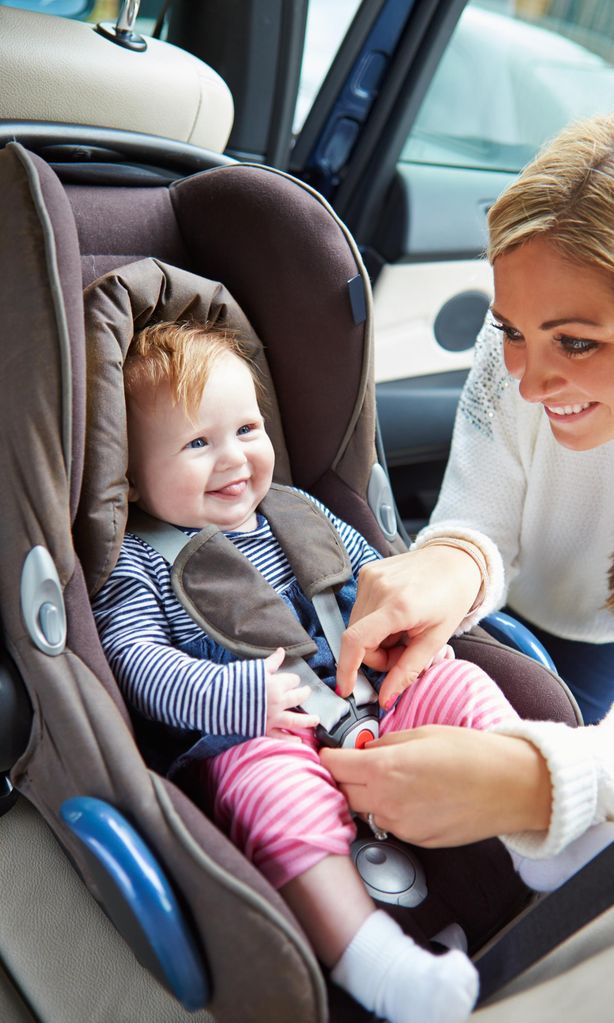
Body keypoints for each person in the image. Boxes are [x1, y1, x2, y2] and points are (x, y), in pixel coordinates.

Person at [91, 317, 551, 1023]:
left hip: (370, 690)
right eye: (196, 443)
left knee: (462, 683)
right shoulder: (141, 560)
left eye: (247, 429)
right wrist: (232, 694)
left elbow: (374, 578)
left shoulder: (298, 509)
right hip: (255, 729)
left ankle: (540, 836)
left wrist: (403, 633)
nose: (235, 458)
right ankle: (374, 960)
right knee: (271, 792)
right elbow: (133, 660)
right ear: (131, 471)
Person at [323, 114, 614, 856]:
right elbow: (481, 511)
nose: (528, 378)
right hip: (521, 602)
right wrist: (449, 565)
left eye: (576, 341)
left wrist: (532, 783)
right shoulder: (510, 361)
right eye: (512, 331)